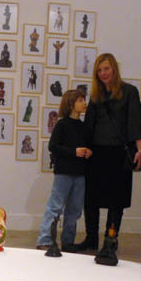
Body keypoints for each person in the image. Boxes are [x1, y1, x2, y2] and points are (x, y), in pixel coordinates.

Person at [76, 53, 141, 257]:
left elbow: (135, 121)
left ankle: (111, 238)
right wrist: (84, 148)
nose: (103, 73)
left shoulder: (129, 92)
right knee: (91, 199)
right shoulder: (96, 96)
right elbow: (89, 125)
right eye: (99, 70)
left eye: (106, 68)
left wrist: (140, 149)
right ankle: (91, 239)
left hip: (119, 153)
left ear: (114, 69)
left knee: (116, 200)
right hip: (97, 153)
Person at [36, 90, 91, 252]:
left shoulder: (84, 126)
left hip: (80, 173)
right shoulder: (62, 124)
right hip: (64, 173)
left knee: (75, 210)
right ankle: (45, 239)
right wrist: (74, 152)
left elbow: (87, 146)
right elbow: (53, 146)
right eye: (80, 100)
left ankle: (68, 241)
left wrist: (88, 151)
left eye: (84, 100)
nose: (84, 103)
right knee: (55, 207)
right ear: (70, 104)